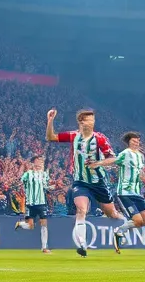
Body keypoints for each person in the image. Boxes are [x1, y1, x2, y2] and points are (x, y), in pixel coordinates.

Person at [45, 108, 126, 257]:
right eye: (89, 120)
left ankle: (125, 226)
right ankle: (82, 244)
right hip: (80, 182)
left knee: (112, 214)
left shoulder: (100, 138)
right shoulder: (73, 136)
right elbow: (51, 137)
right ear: (81, 122)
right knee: (81, 210)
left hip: (98, 182)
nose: (92, 122)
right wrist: (50, 120)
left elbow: (114, 158)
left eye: (93, 120)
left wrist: (98, 163)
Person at [110, 132, 145, 253]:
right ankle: (119, 230)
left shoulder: (140, 156)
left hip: (137, 193)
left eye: (138, 141)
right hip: (125, 193)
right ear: (129, 142)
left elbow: (141, 174)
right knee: (138, 221)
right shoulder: (124, 154)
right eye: (134, 141)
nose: (136, 143)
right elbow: (113, 162)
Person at [15, 156, 52, 253]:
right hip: (30, 203)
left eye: (41, 162)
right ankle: (20, 224)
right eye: (38, 161)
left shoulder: (44, 175)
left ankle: (44, 247)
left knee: (44, 223)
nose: (40, 163)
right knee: (30, 226)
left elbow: (47, 186)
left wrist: (51, 187)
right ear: (33, 163)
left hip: (41, 203)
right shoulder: (28, 174)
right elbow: (19, 179)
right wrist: (22, 166)